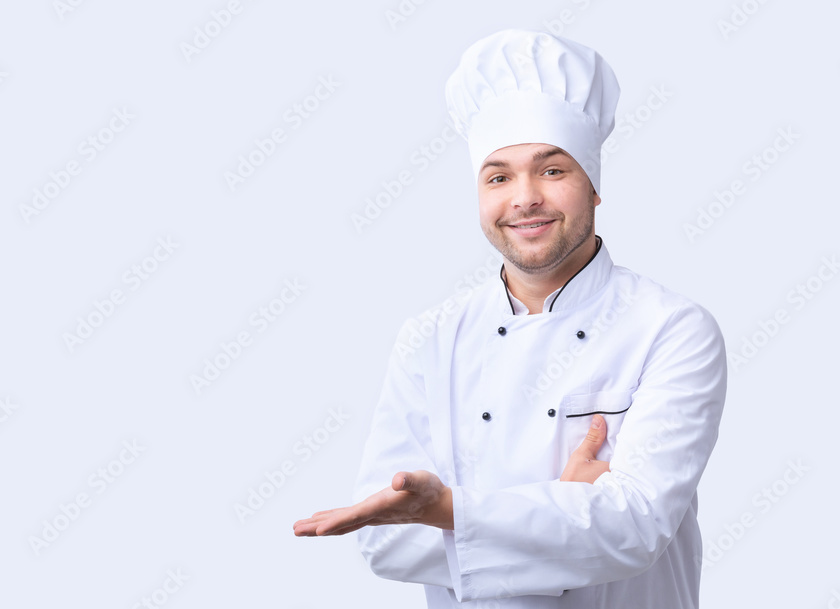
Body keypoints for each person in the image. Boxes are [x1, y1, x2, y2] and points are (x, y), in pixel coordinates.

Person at [293, 28, 727, 609]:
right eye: (498, 176)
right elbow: (382, 539)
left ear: (594, 186)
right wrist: (571, 518)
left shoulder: (671, 329)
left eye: (552, 171)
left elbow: (636, 528)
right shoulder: (431, 337)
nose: (524, 198)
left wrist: (448, 512)